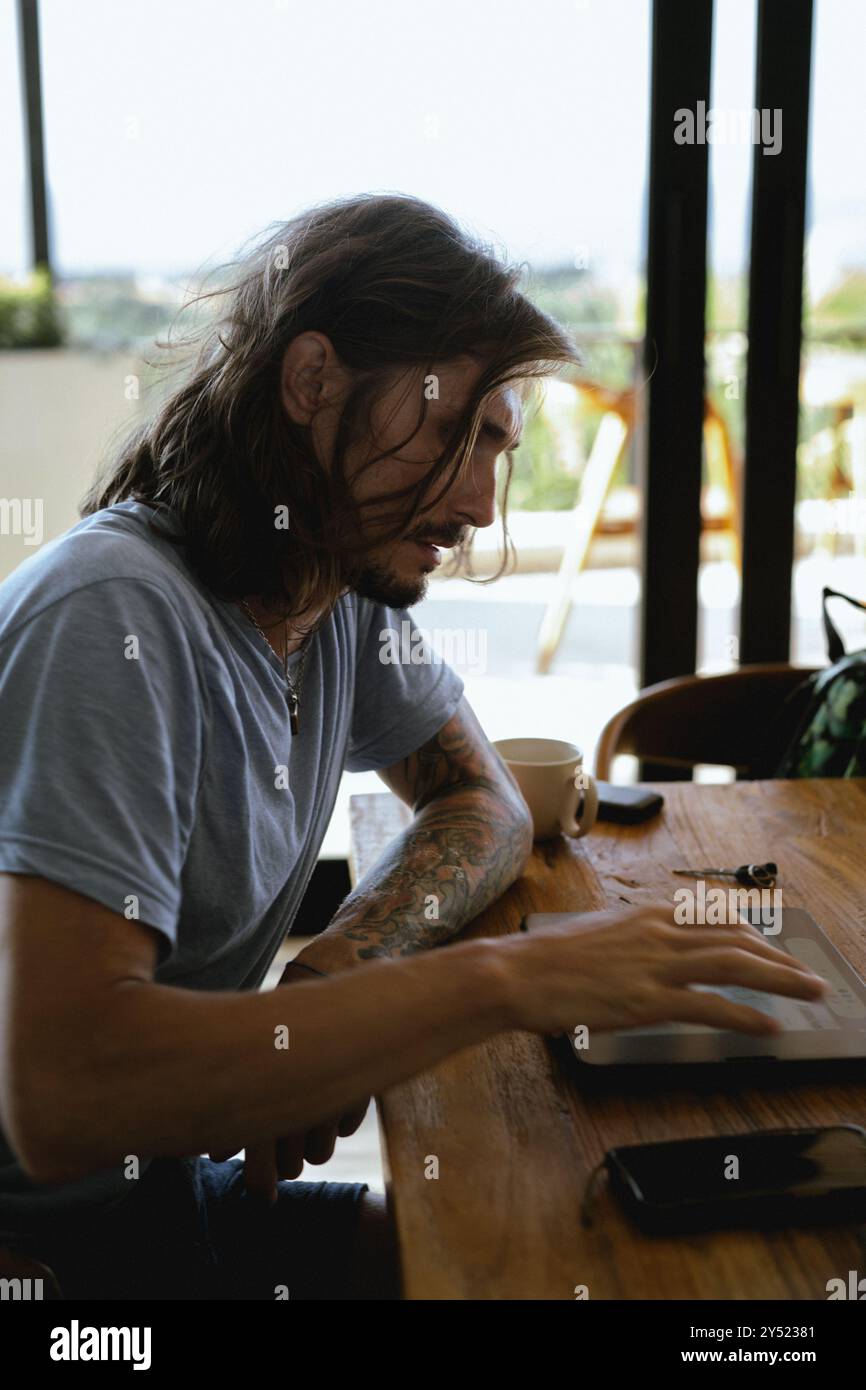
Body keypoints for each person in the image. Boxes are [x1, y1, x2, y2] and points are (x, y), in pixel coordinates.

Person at [0, 194, 827, 1300]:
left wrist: (348, 960)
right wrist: (508, 978)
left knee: (525, 1258)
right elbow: (64, 1099)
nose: (483, 501)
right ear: (311, 383)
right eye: (457, 431)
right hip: (52, 1252)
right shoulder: (114, 620)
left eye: (499, 447)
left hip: (152, 1198)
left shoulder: (334, 595)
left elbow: (479, 800)